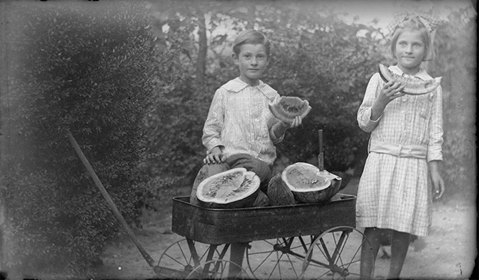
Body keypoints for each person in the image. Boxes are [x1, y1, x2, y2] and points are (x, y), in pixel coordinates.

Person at [190, 29, 303, 277]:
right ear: (235, 59)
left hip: (261, 168)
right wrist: (216, 150)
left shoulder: (272, 96)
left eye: (260, 57)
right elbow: (211, 130)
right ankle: (233, 270)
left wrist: (284, 122)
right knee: (229, 187)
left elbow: (274, 136)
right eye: (248, 56)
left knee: (256, 178)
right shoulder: (225, 92)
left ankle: (234, 269)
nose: (254, 62)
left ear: (267, 60)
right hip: (230, 166)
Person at [356, 15, 445, 279]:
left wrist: (435, 168)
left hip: (413, 165)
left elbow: (435, 132)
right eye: (403, 44)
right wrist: (381, 102)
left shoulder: (432, 87)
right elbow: (364, 123)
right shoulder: (378, 79)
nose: (408, 49)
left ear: (425, 50)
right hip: (381, 161)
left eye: (416, 45)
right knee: (372, 225)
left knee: (403, 227)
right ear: (394, 48)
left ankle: (393, 276)